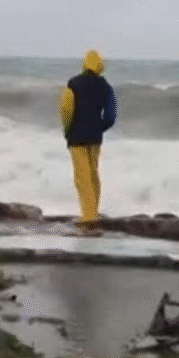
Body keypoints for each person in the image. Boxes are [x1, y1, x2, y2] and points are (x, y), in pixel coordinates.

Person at [59, 49, 117, 234]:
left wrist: (67, 131)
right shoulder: (105, 86)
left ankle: (88, 217)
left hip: (76, 137)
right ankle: (93, 211)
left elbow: (66, 109)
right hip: (95, 138)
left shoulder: (73, 84)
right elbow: (111, 115)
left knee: (82, 177)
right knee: (93, 174)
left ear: (85, 64)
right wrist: (100, 128)